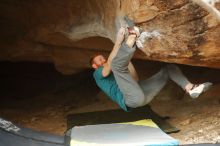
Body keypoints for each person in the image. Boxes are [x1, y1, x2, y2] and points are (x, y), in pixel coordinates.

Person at [90, 26, 212, 112]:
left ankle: (190, 88)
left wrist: (126, 59)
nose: (103, 60)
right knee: (116, 64)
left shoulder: (116, 70)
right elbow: (111, 64)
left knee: (168, 69)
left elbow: (135, 79)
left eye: (103, 58)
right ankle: (133, 35)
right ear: (94, 66)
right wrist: (118, 42)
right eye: (99, 60)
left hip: (141, 94)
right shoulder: (97, 74)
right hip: (130, 99)